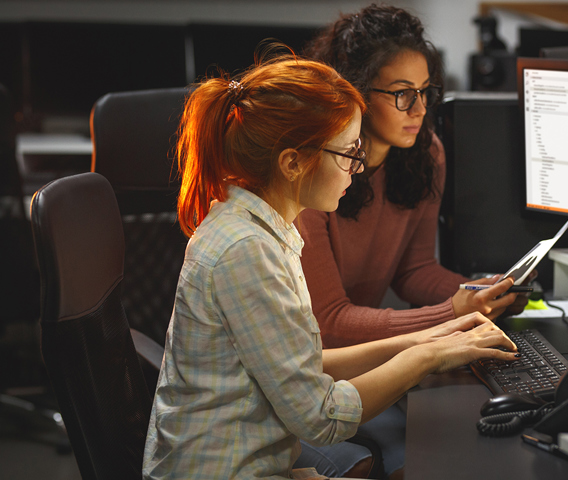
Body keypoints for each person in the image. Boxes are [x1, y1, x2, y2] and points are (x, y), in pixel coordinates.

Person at [142, 53, 520, 480]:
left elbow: (304, 361)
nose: (356, 170)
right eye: (346, 154)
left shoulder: (260, 227)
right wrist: (428, 357)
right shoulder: (247, 250)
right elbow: (320, 418)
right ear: (292, 163)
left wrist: (428, 336)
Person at [301, 5, 532, 478]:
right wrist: (450, 315)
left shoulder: (424, 153)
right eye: (403, 95)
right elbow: (327, 324)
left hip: (357, 365)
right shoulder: (312, 174)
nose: (421, 110)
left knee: (448, 449)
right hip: (312, 372)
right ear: (356, 93)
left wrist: (479, 291)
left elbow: (413, 270)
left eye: (425, 92)